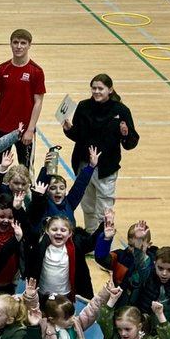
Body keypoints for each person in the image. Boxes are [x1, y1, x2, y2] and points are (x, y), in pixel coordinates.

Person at [62, 74, 139, 234]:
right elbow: (77, 135)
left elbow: (131, 142)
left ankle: (104, 240)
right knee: (88, 206)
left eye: (100, 89)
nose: (96, 91)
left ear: (109, 90)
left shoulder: (121, 111)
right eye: (94, 88)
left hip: (106, 167)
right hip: (84, 164)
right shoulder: (83, 107)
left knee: (104, 209)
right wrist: (69, 129)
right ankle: (90, 238)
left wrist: (125, 134)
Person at [0, 29, 45, 168]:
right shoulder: (2, 69)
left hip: (24, 130)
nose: (19, 46)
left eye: (23, 43)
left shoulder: (36, 71)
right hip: (2, 127)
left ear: (29, 45)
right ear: (11, 44)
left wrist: (30, 129)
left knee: (25, 170)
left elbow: (38, 102)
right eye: (15, 42)